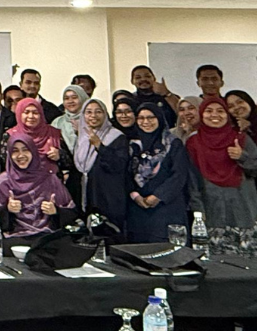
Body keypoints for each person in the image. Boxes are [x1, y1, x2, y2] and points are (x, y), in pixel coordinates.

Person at [0, 134, 77, 249]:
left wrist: (56, 211)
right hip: (15, 238)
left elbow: (72, 213)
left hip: (47, 237)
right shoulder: (2, 182)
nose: (21, 155)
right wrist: (7, 210)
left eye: (25, 150)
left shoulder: (49, 178)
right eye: (15, 151)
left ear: (33, 152)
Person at [186, 97, 257, 231]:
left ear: (227, 115)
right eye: (209, 111)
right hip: (210, 205)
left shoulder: (241, 139)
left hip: (242, 205)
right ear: (201, 114)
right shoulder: (193, 143)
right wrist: (198, 208)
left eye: (220, 111)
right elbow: (191, 179)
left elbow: (255, 168)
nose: (214, 115)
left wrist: (242, 156)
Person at [125, 104, 191, 244]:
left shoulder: (173, 143)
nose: (146, 122)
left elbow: (179, 175)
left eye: (151, 117)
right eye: (141, 118)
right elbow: (125, 174)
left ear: (160, 119)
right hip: (138, 209)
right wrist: (136, 196)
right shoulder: (132, 145)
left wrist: (158, 196)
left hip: (167, 207)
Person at [74, 99, 129, 232]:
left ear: (105, 114)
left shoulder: (116, 137)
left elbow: (118, 165)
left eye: (98, 112)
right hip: (87, 195)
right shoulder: (82, 137)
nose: (93, 116)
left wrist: (99, 145)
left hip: (108, 197)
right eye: (88, 112)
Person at [2, 97, 67, 174]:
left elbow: (69, 163)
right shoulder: (10, 136)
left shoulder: (53, 134)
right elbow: (6, 163)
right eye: (26, 112)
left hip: (51, 180)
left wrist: (59, 155)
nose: (31, 116)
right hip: (21, 180)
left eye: (35, 113)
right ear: (19, 114)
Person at [51, 84, 89, 156]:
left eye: (74, 97)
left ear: (82, 98)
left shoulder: (91, 120)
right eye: (66, 98)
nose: (70, 101)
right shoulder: (57, 122)